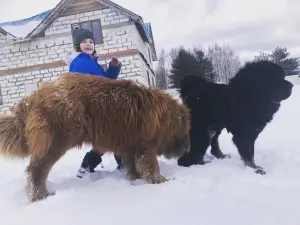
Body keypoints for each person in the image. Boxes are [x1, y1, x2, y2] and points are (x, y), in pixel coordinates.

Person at [64, 28, 123, 178]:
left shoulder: (91, 62)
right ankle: (121, 164)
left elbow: (106, 80)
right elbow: (81, 89)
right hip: (94, 108)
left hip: (102, 106)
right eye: (84, 42)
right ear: (78, 46)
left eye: (91, 41)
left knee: (111, 137)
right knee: (115, 136)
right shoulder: (81, 63)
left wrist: (113, 68)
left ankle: (88, 165)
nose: (88, 44)